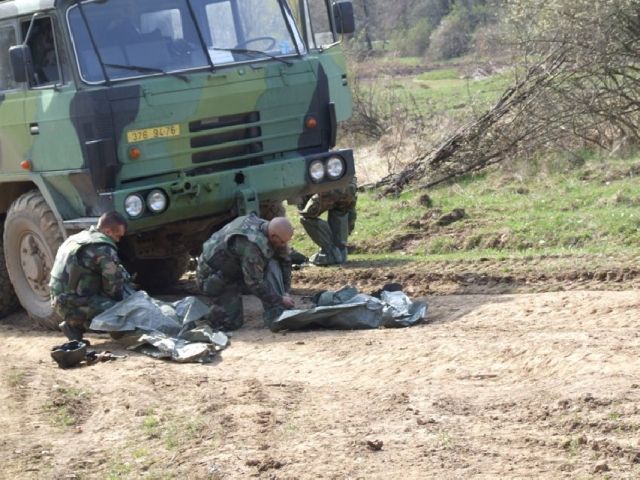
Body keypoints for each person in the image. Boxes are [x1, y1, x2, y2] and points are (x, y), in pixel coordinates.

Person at [196, 213, 295, 331]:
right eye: (282, 242)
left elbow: (285, 261)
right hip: (215, 276)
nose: (284, 245)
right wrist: (280, 300)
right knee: (230, 323)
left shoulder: (268, 229)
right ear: (273, 236)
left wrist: (285, 292)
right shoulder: (252, 244)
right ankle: (200, 314)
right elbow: (254, 283)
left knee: (273, 262)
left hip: (236, 269)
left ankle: (277, 312)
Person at [49, 211, 131, 341]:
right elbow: (114, 287)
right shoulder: (103, 248)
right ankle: (77, 324)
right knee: (125, 311)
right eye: (117, 236)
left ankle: (75, 324)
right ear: (108, 231)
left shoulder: (77, 238)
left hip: (58, 300)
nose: (118, 240)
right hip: (74, 303)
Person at [298, 177, 357, 266]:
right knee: (341, 212)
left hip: (328, 189)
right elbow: (351, 213)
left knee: (306, 217)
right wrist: (348, 231)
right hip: (349, 187)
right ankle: (341, 252)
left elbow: (302, 201)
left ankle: (330, 252)